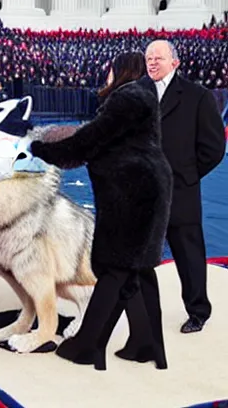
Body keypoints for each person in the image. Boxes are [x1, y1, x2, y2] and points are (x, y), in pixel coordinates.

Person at [28, 51, 173, 371]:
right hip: (145, 189)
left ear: (122, 70)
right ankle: (146, 343)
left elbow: (88, 142)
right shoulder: (141, 98)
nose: (106, 76)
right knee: (138, 270)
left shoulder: (128, 97)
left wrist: (40, 149)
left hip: (131, 194)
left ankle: (88, 347)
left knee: (115, 268)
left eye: (110, 70)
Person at [139, 39, 224, 334]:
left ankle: (198, 311)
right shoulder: (136, 93)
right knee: (137, 256)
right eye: (148, 58)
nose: (151, 62)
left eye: (158, 58)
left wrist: (188, 176)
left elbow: (214, 147)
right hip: (144, 191)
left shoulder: (197, 96)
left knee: (189, 256)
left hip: (181, 192)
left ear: (175, 62)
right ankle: (139, 314)